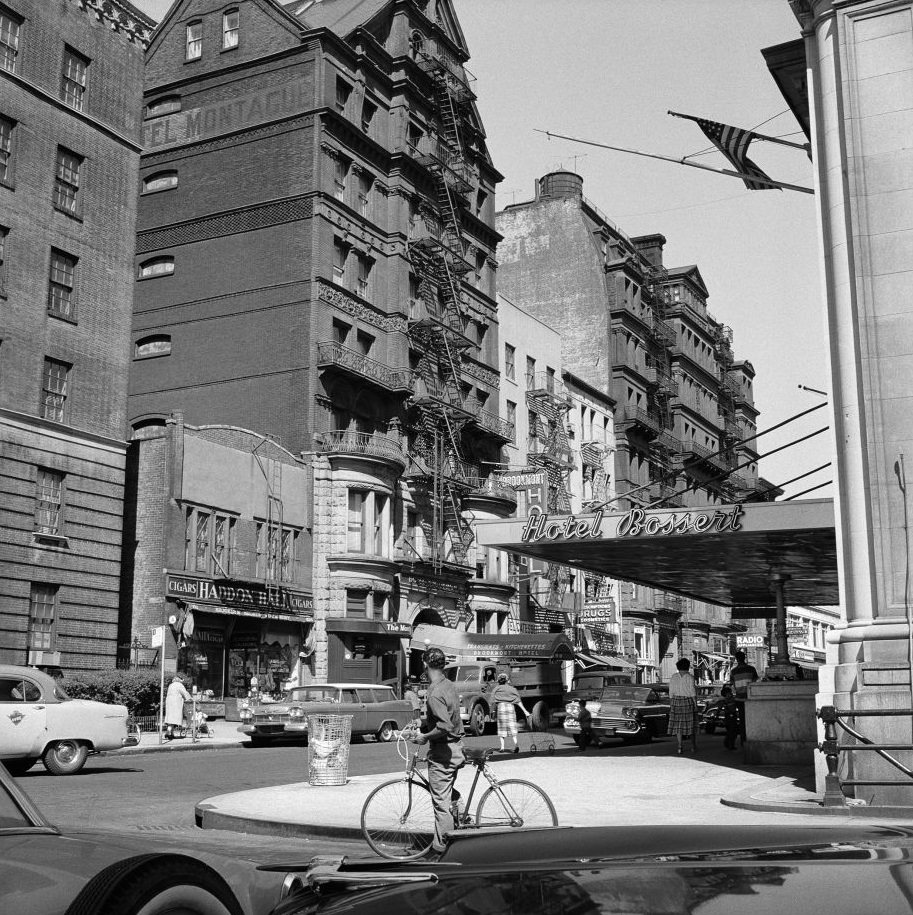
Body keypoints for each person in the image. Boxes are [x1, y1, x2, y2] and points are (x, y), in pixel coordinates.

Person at [409, 646, 465, 856]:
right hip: (456, 748)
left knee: (440, 803)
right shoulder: (448, 685)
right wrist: (423, 722)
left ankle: (443, 850)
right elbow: (448, 716)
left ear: (425, 664)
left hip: (443, 752)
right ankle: (458, 807)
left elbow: (444, 726)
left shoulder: (434, 693)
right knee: (446, 793)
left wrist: (424, 737)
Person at [490, 673, 531, 754]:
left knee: (501, 728)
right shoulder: (512, 689)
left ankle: (502, 747)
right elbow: (518, 701)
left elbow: (493, 701)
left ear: (498, 680)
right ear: (507, 680)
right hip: (510, 708)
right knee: (512, 727)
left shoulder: (496, 689)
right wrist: (525, 711)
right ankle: (516, 745)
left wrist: (493, 712)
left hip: (501, 708)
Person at [668, 658, 698, 755]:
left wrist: (671, 703)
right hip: (687, 701)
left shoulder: (673, 677)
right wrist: (695, 704)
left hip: (676, 701)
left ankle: (680, 746)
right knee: (690, 725)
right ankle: (693, 746)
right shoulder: (690, 677)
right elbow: (692, 692)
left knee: (678, 726)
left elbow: (671, 692)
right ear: (687, 666)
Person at [729, 650, 759, 747]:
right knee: (751, 719)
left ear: (737, 659)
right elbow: (754, 682)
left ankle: (743, 740)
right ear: (744, 658)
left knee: (742, 720)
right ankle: (751, 738)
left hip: (739, 699)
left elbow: (733, 684)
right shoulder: (751, 669)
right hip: (750, 699)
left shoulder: (733, 671)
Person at [164, 675, 191, 739]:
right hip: (176, 703)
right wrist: (190, 698)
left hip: (169, 703)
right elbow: (185, 693)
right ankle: (168, 732)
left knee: (170, 718)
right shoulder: (179, 685)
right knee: (174, 718)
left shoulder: (171, 685)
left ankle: (171, 733)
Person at [719, 686, 740, 751]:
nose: (730, 694)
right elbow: (722, 708)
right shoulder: (725, 701)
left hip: (733, 716)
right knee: (732, 731)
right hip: (729, 716)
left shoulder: (733, 699)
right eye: (728, 693)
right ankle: (730, 744)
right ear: (725, 694)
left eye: (730, 693)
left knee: (733, 731)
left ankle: (729, 744)